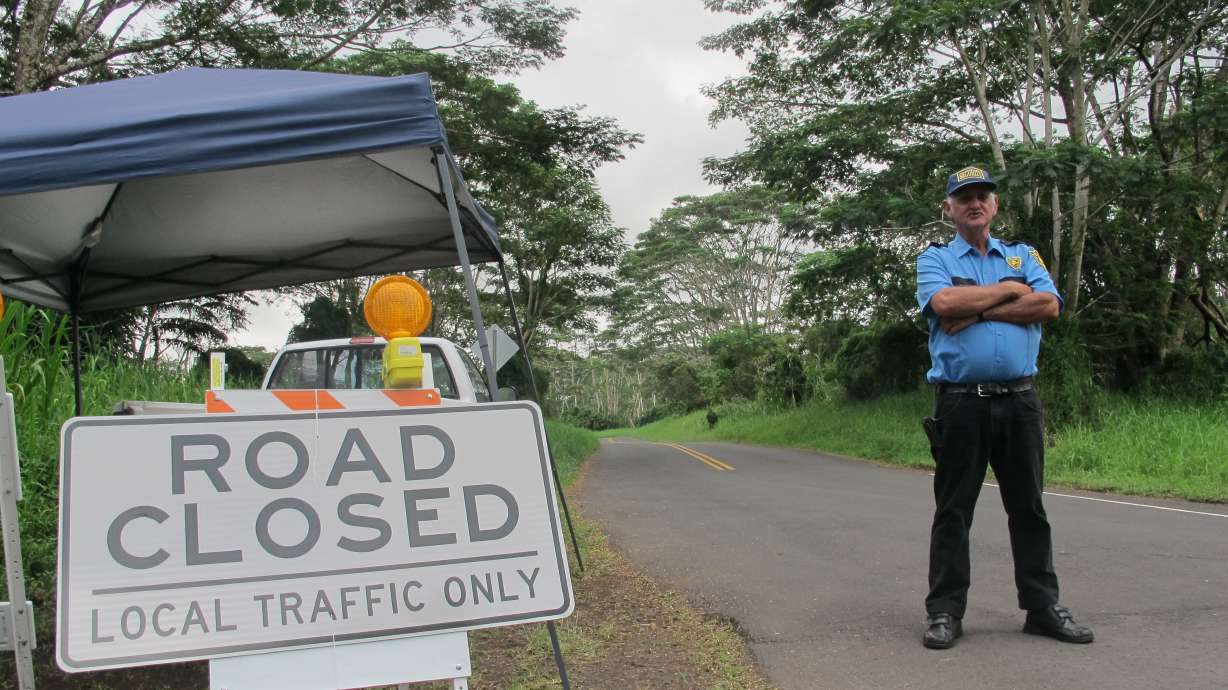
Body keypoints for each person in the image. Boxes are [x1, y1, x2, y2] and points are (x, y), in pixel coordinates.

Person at [914, 166, 1094, 650]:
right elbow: (944, 302)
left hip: (1020, 400)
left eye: (983, 196)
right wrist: (1014, 290)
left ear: (994, 205)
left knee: (1029, 507)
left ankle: (1042, 608)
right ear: (949, 209)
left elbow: (1049, 306)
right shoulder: (934, 258)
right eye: (964, 197)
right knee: (953, 510)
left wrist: (980, 310)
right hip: (960, 404)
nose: (975, 203)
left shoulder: (1022, 255)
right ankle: (945, 611)